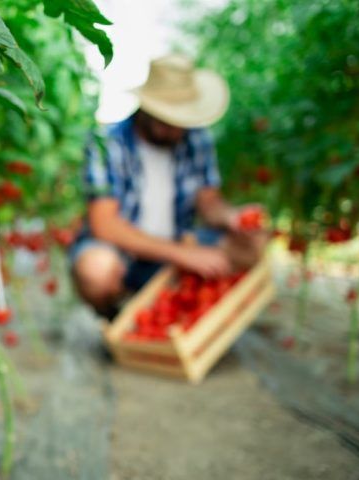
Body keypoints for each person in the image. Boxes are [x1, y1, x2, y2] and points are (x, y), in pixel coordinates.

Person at [71, 54, 267, 318]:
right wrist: (183, 255)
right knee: (96, 270)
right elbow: (104, 224)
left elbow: (209, 202)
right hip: (125, 255)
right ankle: (116, 315)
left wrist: (231, 217)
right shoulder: (106, 143)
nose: (178, 130)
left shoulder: (196, 139)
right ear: (148, 110)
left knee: (255, 243)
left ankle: (187, 309)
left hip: (177, 246)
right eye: (170, 121)